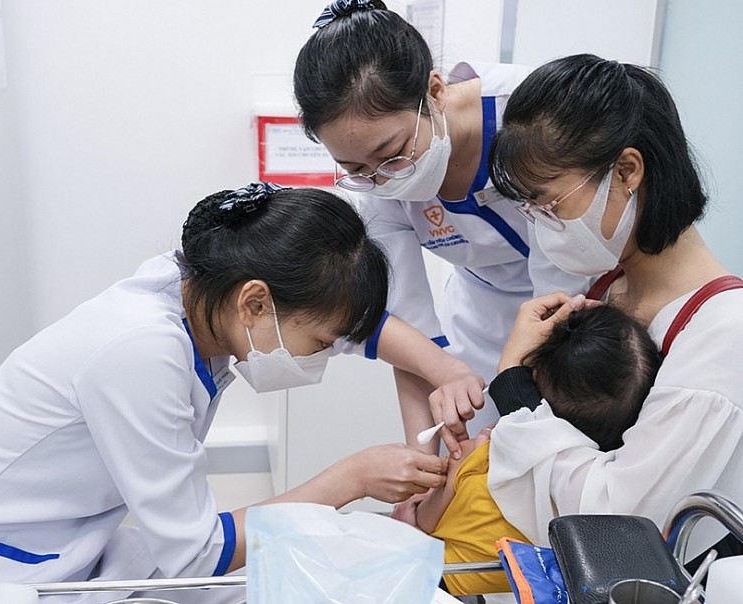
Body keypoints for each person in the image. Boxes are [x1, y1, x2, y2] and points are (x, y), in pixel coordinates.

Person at [0, 182, 449, 601]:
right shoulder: (141, 352)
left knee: (279, 581)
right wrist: (354, 478)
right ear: (254, 304)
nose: (325, 355)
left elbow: (353, 328)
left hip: (77, 541)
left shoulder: (201, 284)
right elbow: (197, 554)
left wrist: (448, 371)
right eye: (320, 344)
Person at [293, 0, 589, 457]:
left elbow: (561, 297)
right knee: (471, 454)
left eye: (393, 153)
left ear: (435, 91)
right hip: (479, 314)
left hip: (582, 302)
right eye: (355, 168)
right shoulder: (377, 184)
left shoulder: (532, 114)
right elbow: (410, 331)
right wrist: (422, 461)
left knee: (562, 447)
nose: (381, 179)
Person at [480, 54, 743, 561]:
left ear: (627, 171)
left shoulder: (724, 335)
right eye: (529, 209)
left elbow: (614, 523)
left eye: (549, 204)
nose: (541, 225)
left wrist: (515, 388)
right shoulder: (605, 289)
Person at [397, 303, 662, 596]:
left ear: (530, 381)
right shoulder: (608, 485)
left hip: (448, 585)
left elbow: (422, 522)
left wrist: (431, 495)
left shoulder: (478, 456)